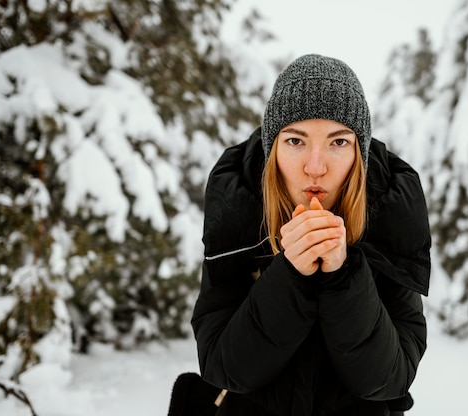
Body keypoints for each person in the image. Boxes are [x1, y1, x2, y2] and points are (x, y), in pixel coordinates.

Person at [169, 54, 431, 416]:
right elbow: (224, 367)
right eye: (295, 141)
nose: (315, 167)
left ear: (360, 152)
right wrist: (289, 275)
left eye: (338, 142)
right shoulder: (241, 210)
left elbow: (388, 379)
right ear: (272, 147)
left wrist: (344, 274)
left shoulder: (389, 217)